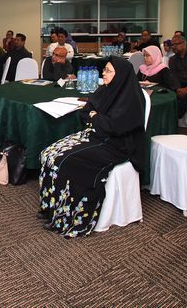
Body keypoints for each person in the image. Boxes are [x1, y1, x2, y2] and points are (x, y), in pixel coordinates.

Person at [38, 57, 145, 238]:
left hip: (116, 146)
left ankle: (68, 218)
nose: (104, 73)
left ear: (120, 75)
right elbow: (86, 112)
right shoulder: (105, 90)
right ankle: (51, 208)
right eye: (105, 69)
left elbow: (115, 127)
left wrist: (96, 117)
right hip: (96, 135)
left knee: (65, 161)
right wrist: (97, 118)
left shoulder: (131, 99)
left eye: (108, 70)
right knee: (49, 153)